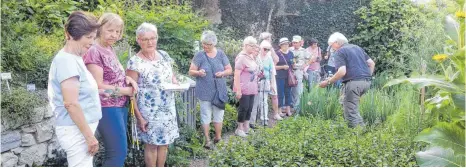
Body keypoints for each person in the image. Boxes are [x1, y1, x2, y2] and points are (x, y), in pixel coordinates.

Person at [83, 13, 138, 166]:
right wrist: (126, 91)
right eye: (110, 30)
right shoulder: (94, 50)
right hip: (107, 107)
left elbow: (113, 75)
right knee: (117, 153)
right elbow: (98, 87)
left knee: (120, 152)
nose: (114, 35)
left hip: (119, 106)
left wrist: (128, 79)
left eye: (118, 31)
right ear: (100, 28)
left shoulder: (109, 48)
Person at [48, 11, 102, 167]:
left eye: (94, 37)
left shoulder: (74, 58)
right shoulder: (66, 61)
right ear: (71, 35)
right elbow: (70, 103)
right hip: (75, 131)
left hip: (79, 130)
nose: (92, 42)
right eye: (88, 37)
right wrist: (89, 137)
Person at [126, 22, 179, 167]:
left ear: (157, 38)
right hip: (148, 112)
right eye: (145, 39)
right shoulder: (134, 62)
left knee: (165, 144)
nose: (150, 42)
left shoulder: (164, 55)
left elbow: (172, 76)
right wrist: (139, 117)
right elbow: (131, 94)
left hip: (168, 109)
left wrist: (176, 84)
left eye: (153, 38)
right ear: (138, 40)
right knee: (151, 146)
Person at [319, 32, 375, 128]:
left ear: (336, 42)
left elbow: (342, 72)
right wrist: (366, 77)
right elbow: (371, 63)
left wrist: (328, 82)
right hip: (366, 82)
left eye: (331, 46)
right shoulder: (357, 48)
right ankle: (356, 129)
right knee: (348, 104)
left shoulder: (340, 52)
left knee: (350, 111)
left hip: (353, 83)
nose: (331, 49)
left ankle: (359, 136)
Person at [188, 30, 232, 149]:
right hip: (204, 90)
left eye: (208, 44)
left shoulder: (221, 54)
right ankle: (207, 140)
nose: (205, 46)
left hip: (219, 90)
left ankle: (218, 138)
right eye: (204, 44)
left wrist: (222, 73)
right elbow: (191, 71)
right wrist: (198, 72)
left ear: (214, 44)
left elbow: (229, 69)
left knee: (219, 115)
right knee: (205, 114)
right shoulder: (199, 55)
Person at [233, 36, 259, 137]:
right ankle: (239, 128)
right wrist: (238, 90)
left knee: (249, 108)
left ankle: (246, 127)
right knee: (243, 108)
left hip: (252, 87)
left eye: (255, 46)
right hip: (243, 88)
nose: (254, 48)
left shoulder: (251, 56)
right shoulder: (241, 57)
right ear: (246, 45)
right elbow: (236, 74)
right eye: (252, 46)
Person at [249, 40, 276, 127]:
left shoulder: (269, 58)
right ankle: (254, 120)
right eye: (265, 49)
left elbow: (272, 72)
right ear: (261, 48)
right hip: (256, 81)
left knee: (264, 100)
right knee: (256, 101)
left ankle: (264, 118)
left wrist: (272, 84)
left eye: (268, 49)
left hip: (266, 81)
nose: (266, 51)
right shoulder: (256, 57)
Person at [258, 32, 283, 120]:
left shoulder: (269, 48)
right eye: (269, 38)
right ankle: (262, 116)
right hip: (262, 78)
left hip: (271, 75)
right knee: (262, 98)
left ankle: (275, 114)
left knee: (274, 95)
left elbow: (276, 59)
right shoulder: (261, 47)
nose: (270, 39)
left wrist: (271, 48)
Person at [289, 35, 311, 112]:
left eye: (296, 42)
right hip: (290, 71)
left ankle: (297, 107)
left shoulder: (303, 51)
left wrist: (305, 65)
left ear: (299, 43)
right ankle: (291, 105)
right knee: (290, 89)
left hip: (298, 71)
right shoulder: (290, 50)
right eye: (293, 42)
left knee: (298, 89)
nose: (294, 44)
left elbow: (311, 58)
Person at [275, 37, 294, 116]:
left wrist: (295, 65)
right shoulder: (277, 54)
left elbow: (293, 64)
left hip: (288, 77)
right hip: (279, 76)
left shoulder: (291, 53)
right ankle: (279, 111)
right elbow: (273, 67)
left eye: (287, 44)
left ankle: (288, 110)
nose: (286, 46)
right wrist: (282, 67)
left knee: (288, 93)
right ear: (281, 45)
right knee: (280, 93)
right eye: (284, 44)